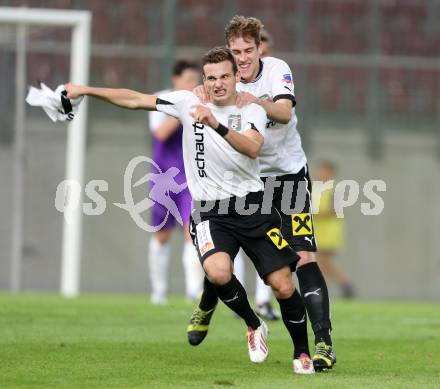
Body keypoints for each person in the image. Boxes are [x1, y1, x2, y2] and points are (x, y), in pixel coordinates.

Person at [65, 47, 307, 370]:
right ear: (203, 80)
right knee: (219, 271)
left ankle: (301, 352)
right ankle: (253, 324)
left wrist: (216, 125)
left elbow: (252, 147)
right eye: (211, 78)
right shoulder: (188, 101)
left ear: (236, 76)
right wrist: (86, 90)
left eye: (225, 76)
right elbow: (135, 99)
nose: (218, 83)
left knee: (282, 284)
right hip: (208, 210)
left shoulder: (251, 107)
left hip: (252, 206)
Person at [187, 15, 336, 372]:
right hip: (243, 183)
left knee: (304, 257)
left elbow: (284, 112)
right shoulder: (221, 78)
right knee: (224, 257)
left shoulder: (276, 71)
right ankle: (208, 303)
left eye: (248, 50)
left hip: (286, 177)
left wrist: (254, 101)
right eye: (236, 51)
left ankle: (323, 343)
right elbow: (200, 103)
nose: (242, 57)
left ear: (259, 49)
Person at [147, 60, 204, 304]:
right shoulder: (160, 99)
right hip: (162, 177)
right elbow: (160, 132)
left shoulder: (199, 102)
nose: (194, 85)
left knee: (191, 232)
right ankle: (159, 291)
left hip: (189, 177)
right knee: (161, 235)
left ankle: (194, 291)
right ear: (176, 80)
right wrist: (182, 110)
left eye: (196, 80)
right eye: (189, 80)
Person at [233, 27, 280, 321]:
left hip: (274, 173)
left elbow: (285, 115)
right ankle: (238, 299)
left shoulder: (279, 80)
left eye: (257, 49)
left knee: (272, 237)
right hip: (242, 173)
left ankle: (263, 300)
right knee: (236, 239)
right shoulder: (232, 82)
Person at [313, 160, 354, 298]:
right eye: (321, 170)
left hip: (330, 230)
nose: (321, 173)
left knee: (322, 260)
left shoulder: (334, 189)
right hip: (319, 230)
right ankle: (343, 284)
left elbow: (336, 210)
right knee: (321, 262)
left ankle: (343, 284)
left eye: (325, 171)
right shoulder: (317, 188)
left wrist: (315, 214)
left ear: (331, 173)